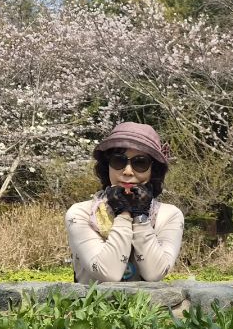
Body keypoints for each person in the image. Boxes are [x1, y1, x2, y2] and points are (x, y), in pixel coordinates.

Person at [66, 122, 184, 284]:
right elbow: (109, 274)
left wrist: (140, 216)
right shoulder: (81, 213)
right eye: (118, 161)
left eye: (140, 163)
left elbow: (154, 273)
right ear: (107, 166)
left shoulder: (170, 215)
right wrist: (124, 214)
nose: (128, 172)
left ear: (153, 170)